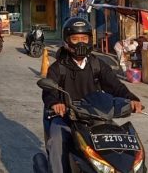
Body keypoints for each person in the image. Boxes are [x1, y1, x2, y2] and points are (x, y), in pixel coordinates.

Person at [41, 17, 142, 173]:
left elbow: (115, 85)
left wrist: (132, 99)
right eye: (75, 39)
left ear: (90, 39)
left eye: (84, 38)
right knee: (57, 140)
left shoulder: (97, 64)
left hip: (96, 116)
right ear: (67, 41)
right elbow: (49, 90)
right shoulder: (57, 68)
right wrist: (55, 103)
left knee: (120, 141)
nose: (80, 42)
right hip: (66, 117)